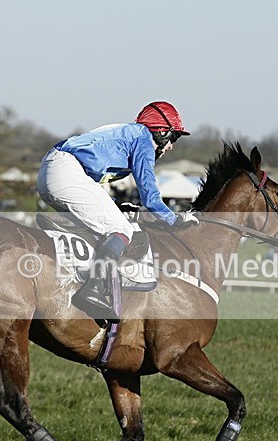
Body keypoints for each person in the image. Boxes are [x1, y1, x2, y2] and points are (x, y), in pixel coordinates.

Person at [37, 101, 198, 321]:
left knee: (105, 226)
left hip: (55, 170)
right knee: (122, 229)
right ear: (161, 131)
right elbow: (149, 196)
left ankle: (81, 281)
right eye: (173, 138)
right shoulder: (144, 141)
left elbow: (90, 183)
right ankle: (93, 289)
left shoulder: (130, 134)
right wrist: (173, 220)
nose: (171, 146)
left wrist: (114, 203)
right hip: (64, 172)